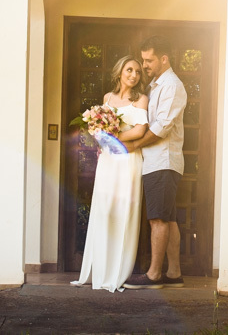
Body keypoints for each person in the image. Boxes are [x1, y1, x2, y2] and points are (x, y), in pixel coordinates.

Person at [71, 55, 149, 292]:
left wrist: (113, 137)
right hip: (107, 161)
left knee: (123, 212)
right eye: (129, 70)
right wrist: (101, 134)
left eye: (137, 71)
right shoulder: (107, 98)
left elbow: (140, 130)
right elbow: (98, 129)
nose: (134, 75)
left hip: (128, 161)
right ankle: (101, 268)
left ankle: (118, 271)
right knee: (105, 210)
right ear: (119, 72)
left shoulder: (142, 99)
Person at [122, 35, 187, 289]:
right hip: (156, 162)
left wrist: (134, 145)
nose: (144, 65)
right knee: (168, 219)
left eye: (149, 60)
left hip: (163, 161)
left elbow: (161, 127)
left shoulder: (172, 85)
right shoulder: (155, 84)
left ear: (164, 58)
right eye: (142, 60)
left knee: (157, 219)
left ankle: (153, 275)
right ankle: (174, 273)